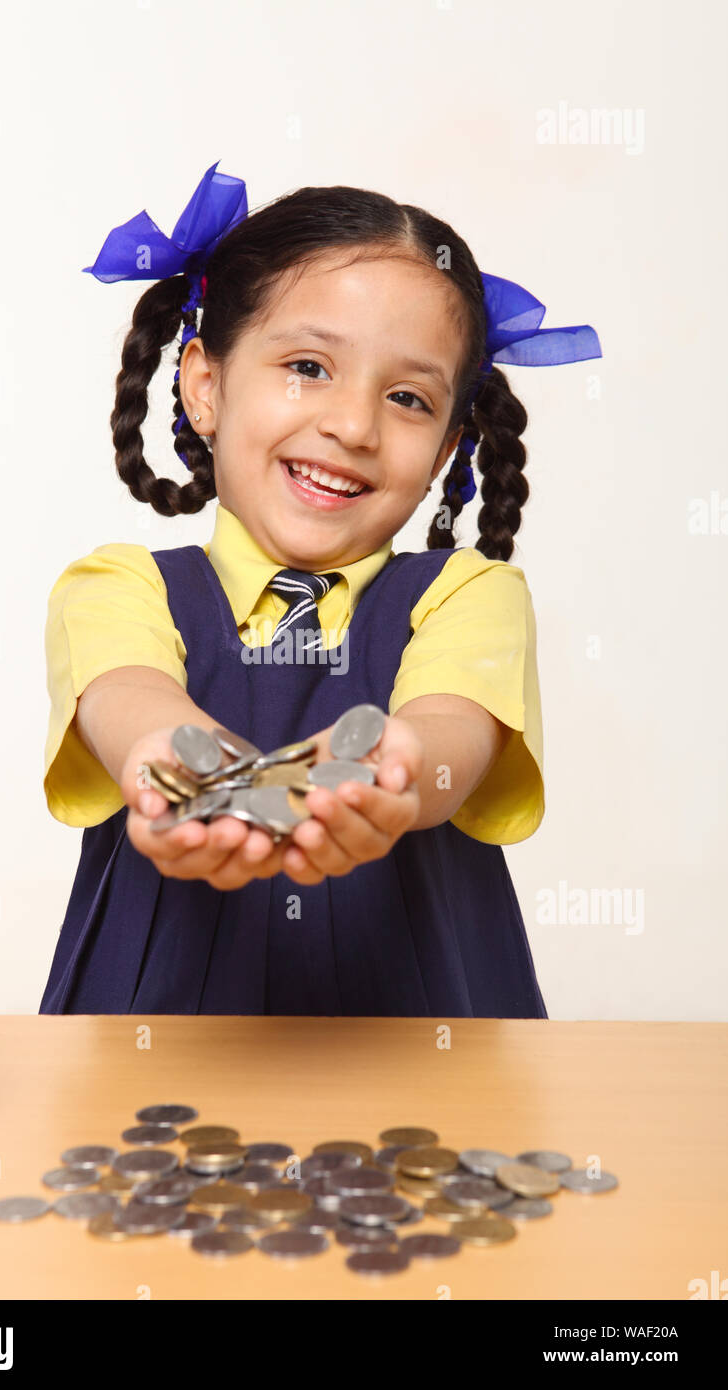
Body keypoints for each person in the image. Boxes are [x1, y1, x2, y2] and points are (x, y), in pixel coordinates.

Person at [38, 161, 601, 1017]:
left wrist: (396, 773)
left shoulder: (469, 595)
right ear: (205, 387)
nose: (352, 425)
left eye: (408, 397)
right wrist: (182, 775)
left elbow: (448, 734)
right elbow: (134, 703)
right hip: (157, 1025)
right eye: (307, 365)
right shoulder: (118, 587)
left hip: (420, 1031)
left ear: (448, 451)